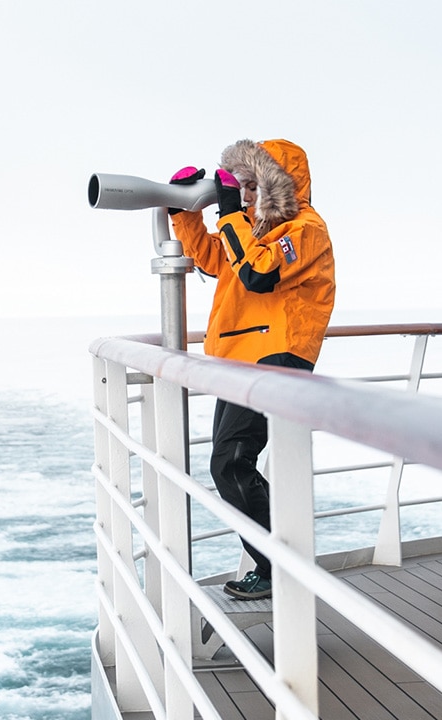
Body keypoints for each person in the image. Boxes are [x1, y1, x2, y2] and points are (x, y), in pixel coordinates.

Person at [169, 139, 335, 600]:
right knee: (230, 462)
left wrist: (228, 216)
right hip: (244, 358)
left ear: (276, 184)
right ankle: (280, 561)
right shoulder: (248, 228)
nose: (242, 192)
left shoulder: (305, 229)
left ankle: (279, 567)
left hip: (277, 356)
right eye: (238, 185)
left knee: (231, 462)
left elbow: (258, 273)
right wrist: (184, 213)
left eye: (250, 184)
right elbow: (214, 260)